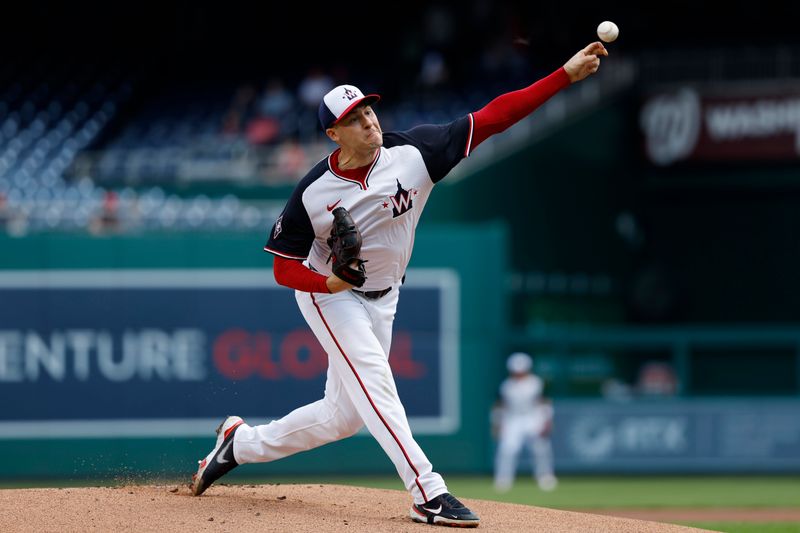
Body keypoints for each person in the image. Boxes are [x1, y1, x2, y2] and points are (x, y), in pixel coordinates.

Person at [190, 41, 607, 528]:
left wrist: (563, 75)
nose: (368, 121)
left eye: (368, 109)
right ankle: (428, 491)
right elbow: (283, 268)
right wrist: (327, 283)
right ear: (333, 134)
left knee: (344, 417)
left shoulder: (416, 152)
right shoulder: (312, 192)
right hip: (331, 296)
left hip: (386, 295)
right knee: (375, 383)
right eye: (354, 117)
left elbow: (495, 116)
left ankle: (238, 443)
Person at [492, 352, 557, 492]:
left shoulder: (536, 382)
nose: (519, 374)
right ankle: (503, 479)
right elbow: (501, 406)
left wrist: (546, 420)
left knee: (540, 448)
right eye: (516, 371)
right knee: (507, 449)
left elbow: (543, 402)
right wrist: (498, 423)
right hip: (513, 419)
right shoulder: (507, 385)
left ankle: (545, 477)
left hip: (532, 417)